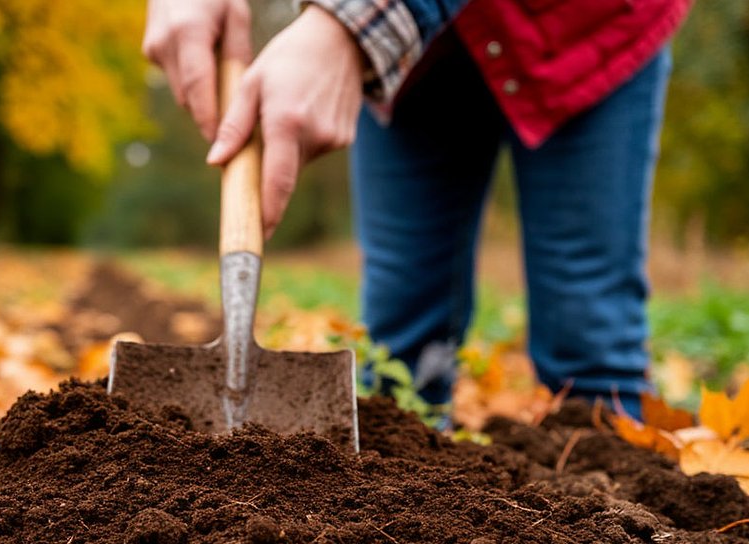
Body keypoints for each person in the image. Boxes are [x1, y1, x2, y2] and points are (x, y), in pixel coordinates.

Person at [143, 0, 692, 418]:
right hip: (421, 59)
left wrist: (345, 25)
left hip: (582, 29)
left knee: (588, 340)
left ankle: (630, 535)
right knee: (401, 354)